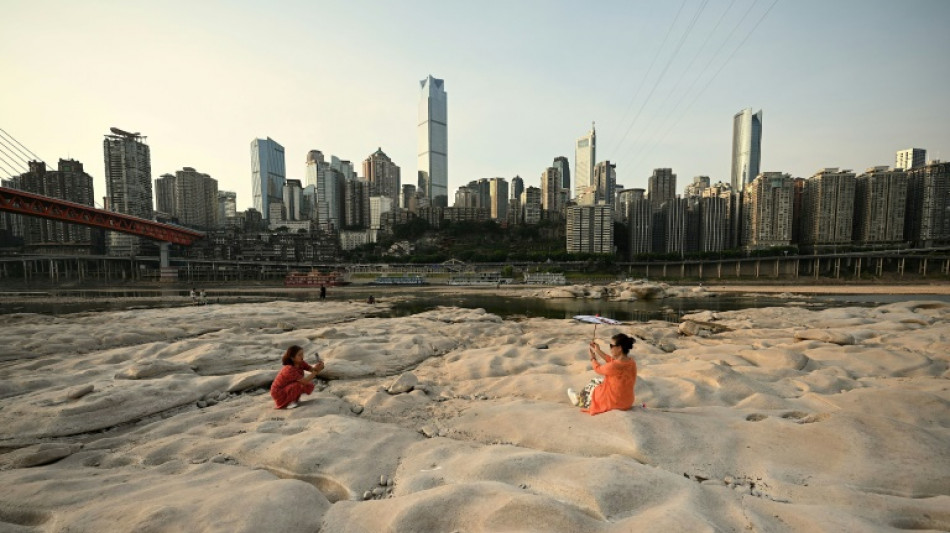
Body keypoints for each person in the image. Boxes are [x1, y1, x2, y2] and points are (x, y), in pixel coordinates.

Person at [567, 333, 637, 415]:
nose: (610, 348)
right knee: (599, 381)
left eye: (611, 346)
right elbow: (612, 361)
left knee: (594, 385)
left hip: (614, 402)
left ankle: (579, 401)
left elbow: (598, 369)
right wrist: (598, 351)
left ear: (619, 348)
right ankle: (581, 398)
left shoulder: (614, 365)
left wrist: (592, 358)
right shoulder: (631, 362)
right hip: (627, 402)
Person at [270, 345, 325, 409]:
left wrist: (319, 367)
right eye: (299, 355)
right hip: (278, 392)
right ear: (292, 358)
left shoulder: (301, 363)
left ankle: (294, 399)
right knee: (299, 385)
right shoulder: (289, 369)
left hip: (287, 387)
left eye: (302, 354)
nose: (302, 356)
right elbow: (305, 381)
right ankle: (288, 402)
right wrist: (316, 371)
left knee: (309, 385)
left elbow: (312, 370)